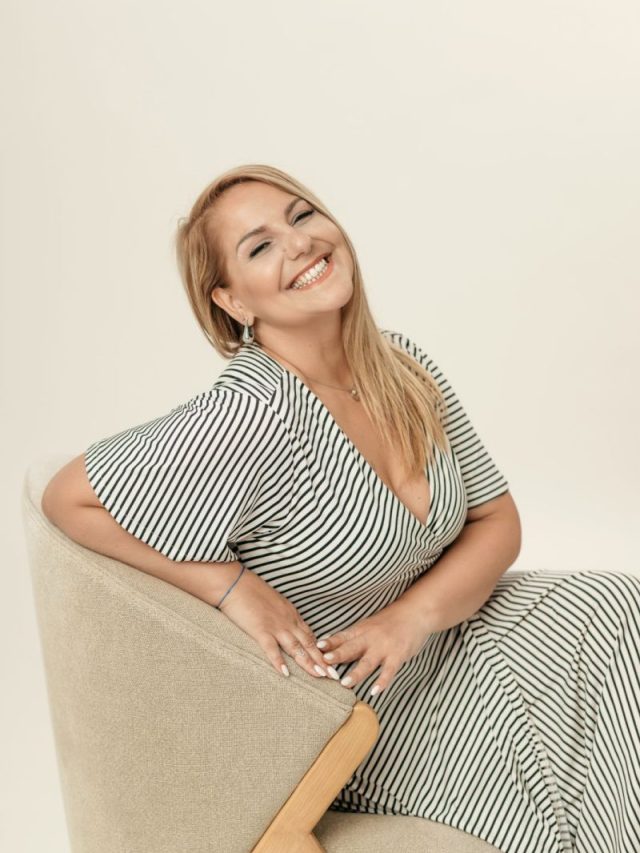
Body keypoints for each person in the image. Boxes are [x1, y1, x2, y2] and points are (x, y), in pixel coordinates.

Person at [42, 164, 640, 853]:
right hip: (369, 716)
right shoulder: (250, 412)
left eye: (301, 216)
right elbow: (67, 496)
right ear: (232, 301)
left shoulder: (401, 366)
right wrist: (230, 585)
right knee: (567, 767)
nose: (299, 243)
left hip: (457, 637)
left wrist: (411, 618)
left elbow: (495, 521)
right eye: (260, 246)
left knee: (617, 612)